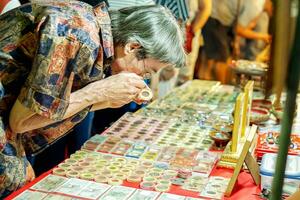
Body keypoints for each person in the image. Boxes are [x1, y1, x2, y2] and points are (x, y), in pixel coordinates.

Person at [0, 1, 185, 197]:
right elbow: (21, 123)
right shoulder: (77, 36)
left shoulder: (96, 33)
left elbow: (50, 108)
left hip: (10, 109)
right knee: (15, 183)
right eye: (146, 71)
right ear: (132, 47)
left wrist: (105, 100)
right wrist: (97, 92)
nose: (143, 78)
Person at [201, 0, 272, 83]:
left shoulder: (258, 5)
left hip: (219, 17)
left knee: (213, 60)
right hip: (216, 18)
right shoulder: (256, 6)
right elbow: (238, 29)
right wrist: (264, 37)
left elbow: (246, 25)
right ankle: (222, 89)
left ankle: (212, 86)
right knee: (222, 60)